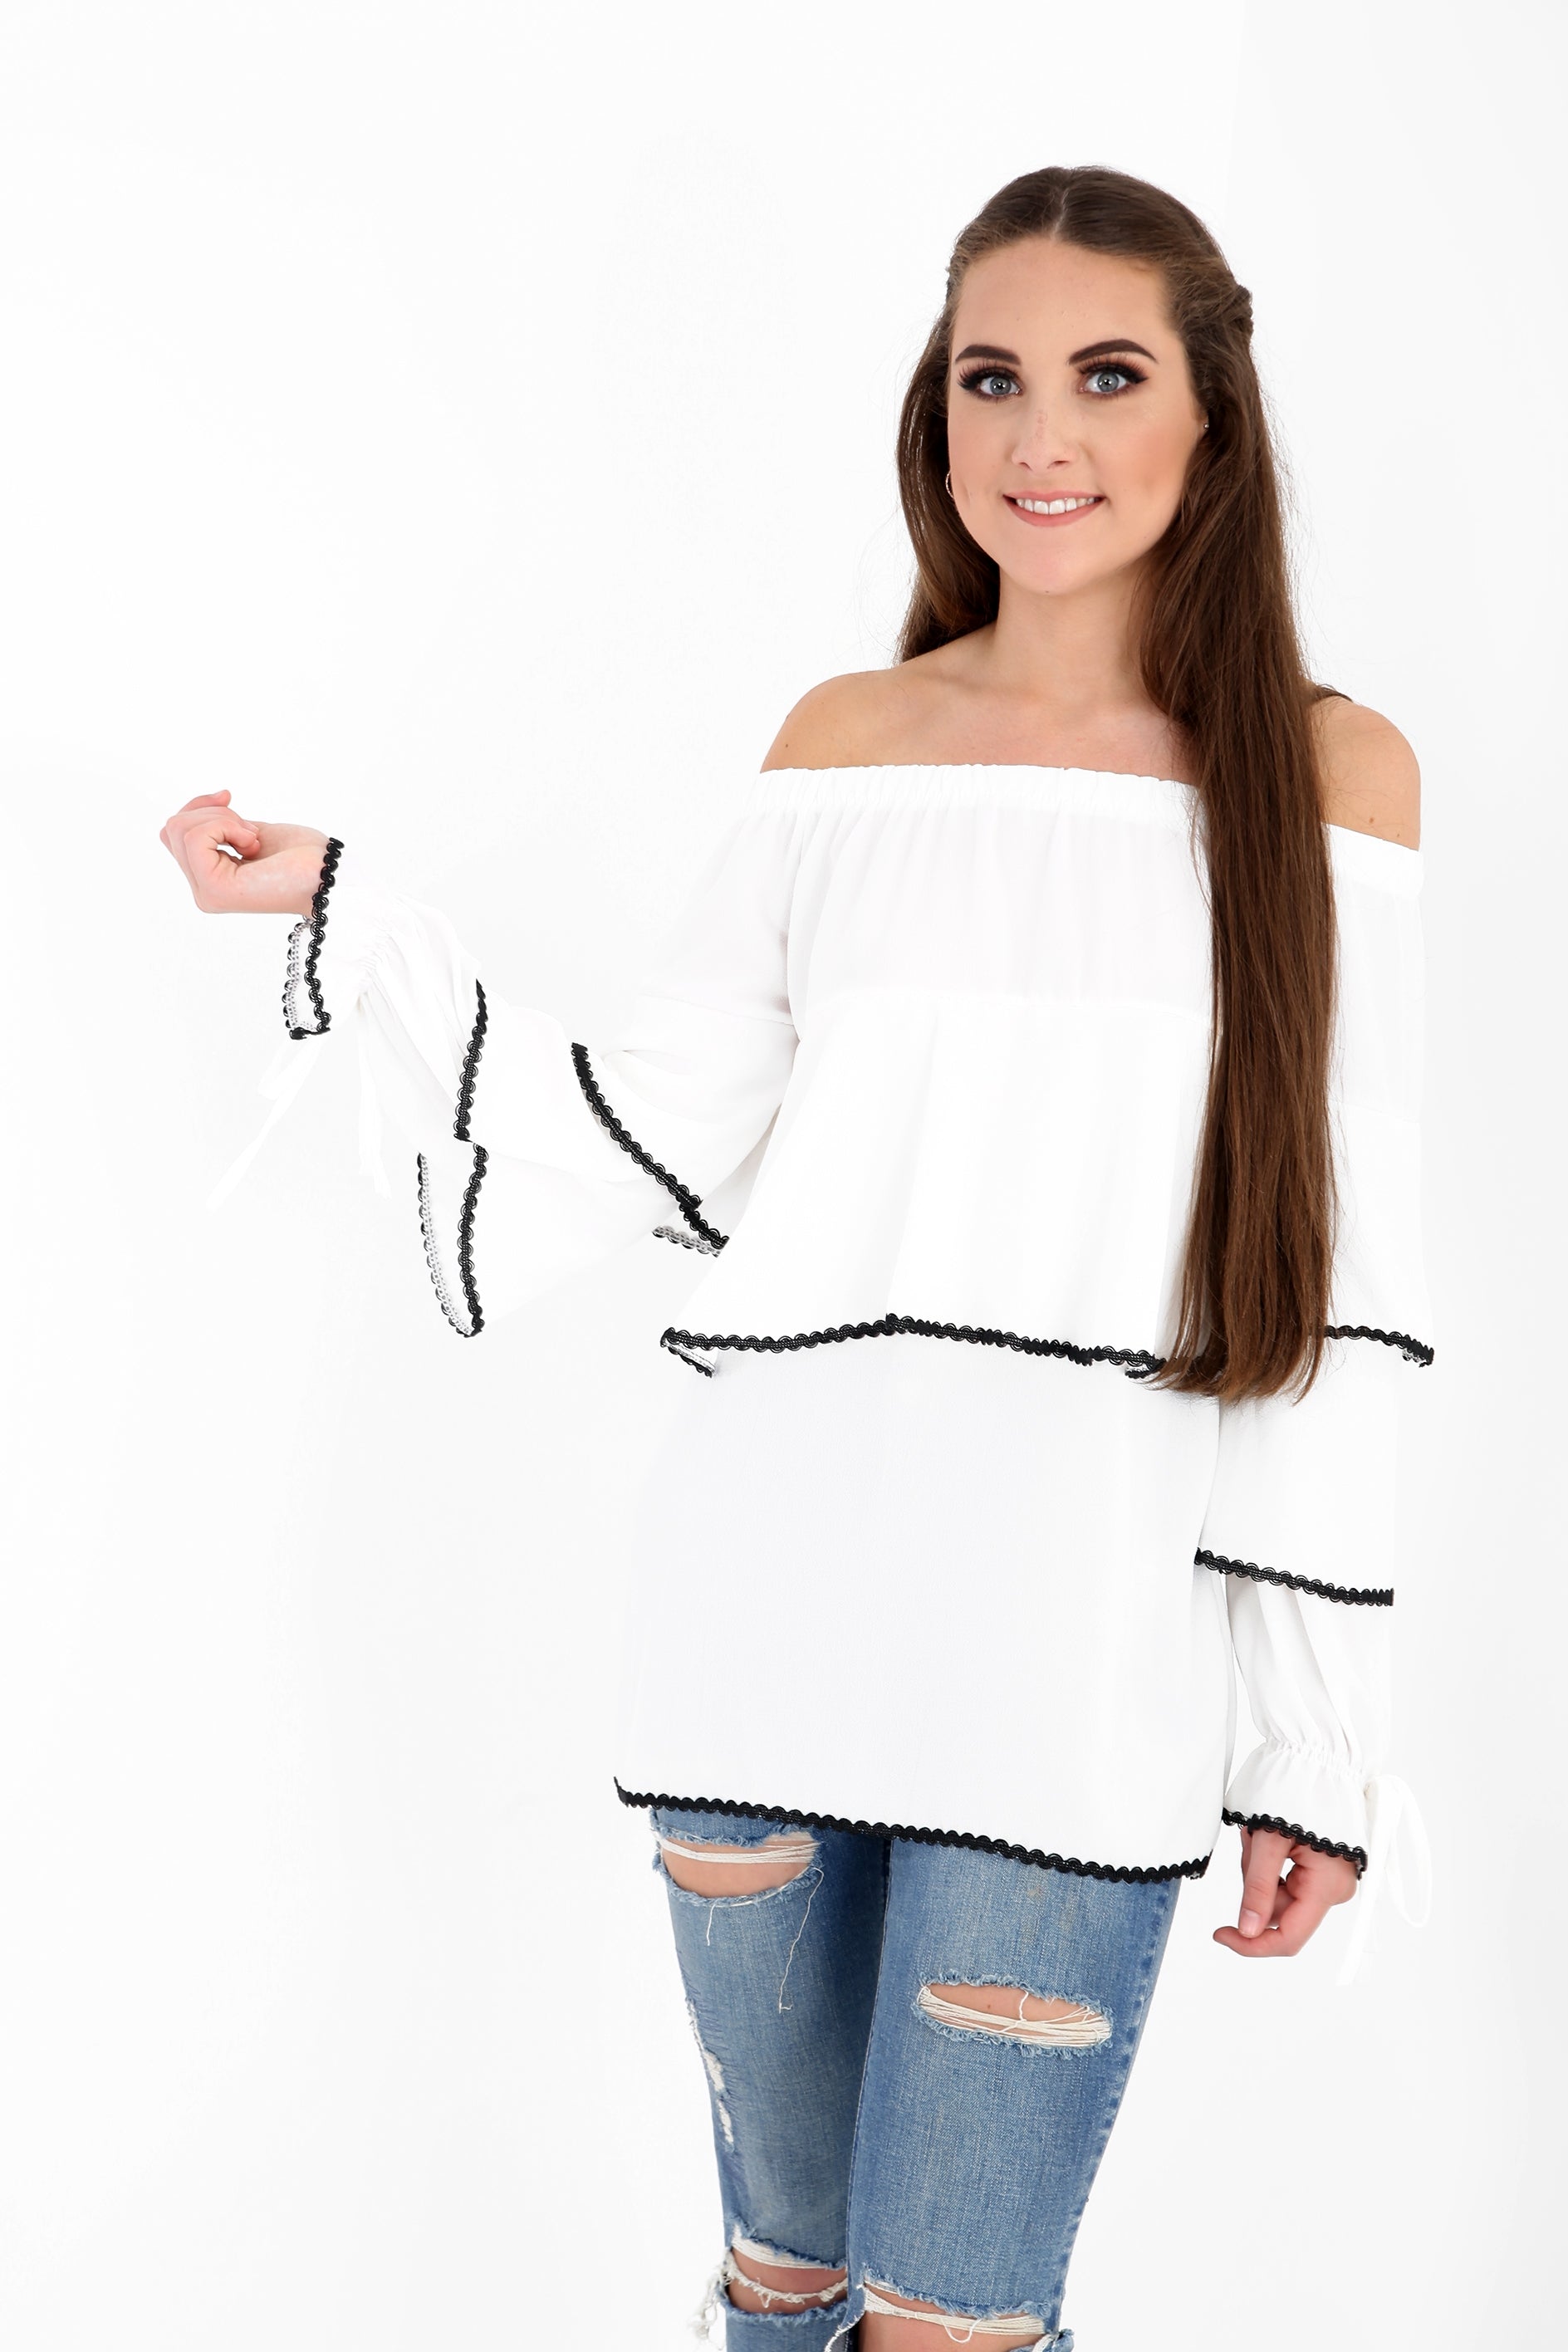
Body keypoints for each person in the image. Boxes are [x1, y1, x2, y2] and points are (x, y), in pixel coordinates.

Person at [161, 164, 1430, 2351]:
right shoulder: (846, 743)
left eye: (1107, 376)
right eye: (991, 379)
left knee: (952, 2322)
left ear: (1210, 416)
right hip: (768, 1626)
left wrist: (1312, 1738)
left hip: (1078, 1663)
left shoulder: (1330, 776)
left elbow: (1345, 1279)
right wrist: (350, 917)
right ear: (936, 415)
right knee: (786, 2285)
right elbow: (659, 1133)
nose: (1043, 435)